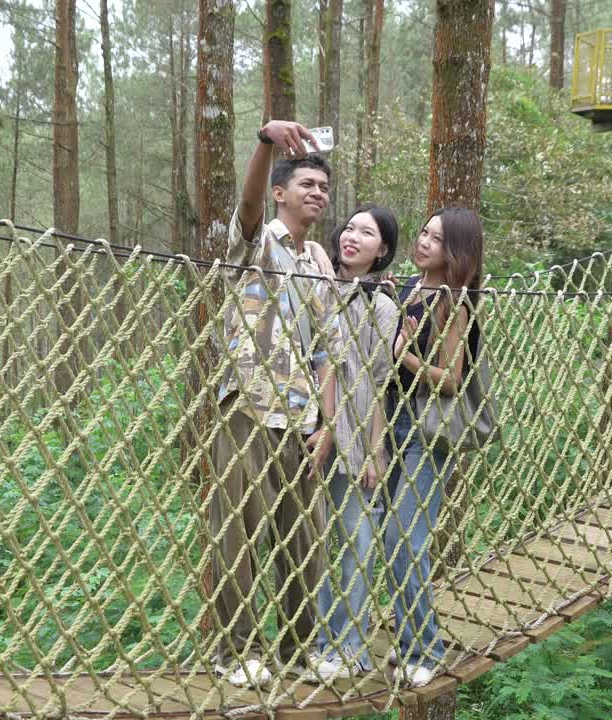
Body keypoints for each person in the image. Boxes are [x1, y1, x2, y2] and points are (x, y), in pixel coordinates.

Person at [209, 120, 341, 689]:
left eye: (324, 187)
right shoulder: (259, 240)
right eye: (307, 184)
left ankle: (298, 648)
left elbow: (333, 346)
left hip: (303, 414)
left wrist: (329, 424)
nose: (317, 193)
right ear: (282, 193)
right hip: (249, 403)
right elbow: (246, 203)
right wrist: (266, 142)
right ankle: (235, 651)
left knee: (303, 537)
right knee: (238, 529)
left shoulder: (318, 261)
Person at [384, 207, 484, 688]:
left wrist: (403, 355)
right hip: (389, 426)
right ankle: (408, 643)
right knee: (389, 539)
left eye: (437, 239)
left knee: (406, 538)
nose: (423, 242)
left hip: (428, 433)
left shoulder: (452, 303)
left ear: (455, 252)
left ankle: (426, 649)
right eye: (423, 232)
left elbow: (451, 381)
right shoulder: (406, 290)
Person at [312, 205, 400, 681]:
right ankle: (321, 642)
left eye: (367, 233)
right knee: (315, 547)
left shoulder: (381, 306)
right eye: (349, 228)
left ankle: (349, 648)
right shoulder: (317, 288)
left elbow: (380, 385)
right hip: (305, 432)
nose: (353, 237)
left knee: (357, 544)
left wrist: (375, 450)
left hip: (349, 439)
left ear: (381, 250)